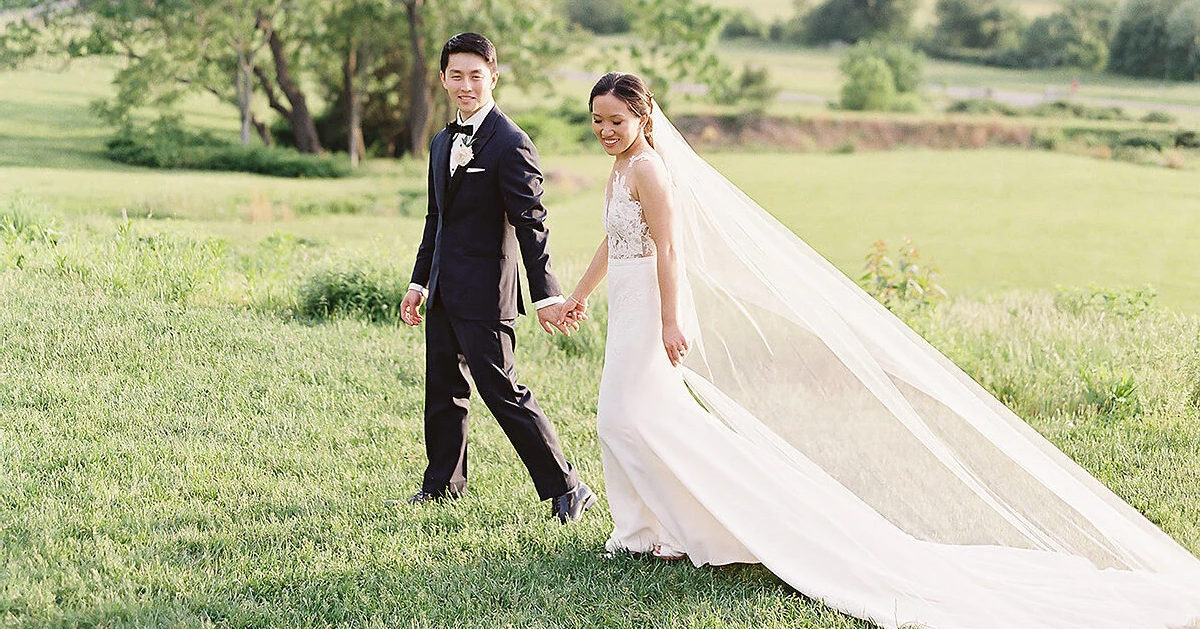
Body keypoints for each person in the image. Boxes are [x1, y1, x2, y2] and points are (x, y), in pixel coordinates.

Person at [560, 71, 1200, 628]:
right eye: (596, 121)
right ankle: (654, 528)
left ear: (643, 117)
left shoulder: (650, 170)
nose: (605, 130)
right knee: (636, 418)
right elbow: (613, 244)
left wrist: (672, 319)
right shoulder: (620, 169)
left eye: (615, 120)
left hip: (654, 308)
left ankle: (669, 527)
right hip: (630, 304)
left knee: (623, 416)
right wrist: (581, 295)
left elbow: (668, 251)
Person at [396, 32, 594, 523]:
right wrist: (420, 283)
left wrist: (546, 294)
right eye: (456, 75)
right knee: (443, 391)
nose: (466, 85)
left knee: (502, 391)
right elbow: (434, 219)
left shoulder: (511, 143)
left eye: (476, 76)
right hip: (443, 289)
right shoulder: (442, 141)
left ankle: (568, 487)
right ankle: (442, 486)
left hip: (488, 295)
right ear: (443, 78)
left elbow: (532, 223)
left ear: (493, 78)